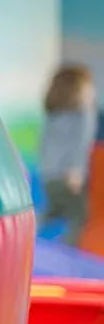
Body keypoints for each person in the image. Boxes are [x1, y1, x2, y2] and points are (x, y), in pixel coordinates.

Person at [38, 63, 100, 246]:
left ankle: (30, 231)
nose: (93, 92)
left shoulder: (53, 114)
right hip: (69, 175)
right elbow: (81, 144)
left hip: (48, 175)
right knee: (79, 215)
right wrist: (77, 170)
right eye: (89, 88)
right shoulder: (84, 113)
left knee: (54, 211)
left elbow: (44, 146)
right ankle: (69, 250)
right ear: (77, 91)